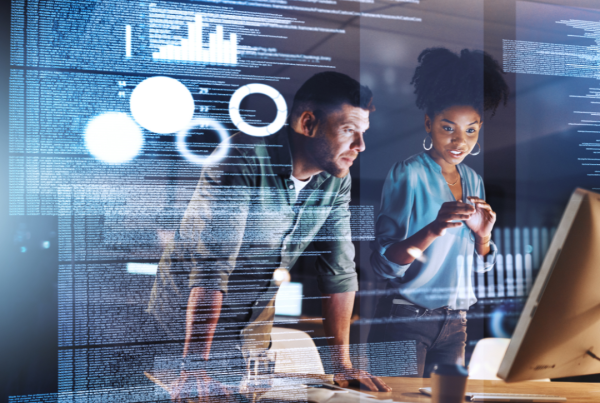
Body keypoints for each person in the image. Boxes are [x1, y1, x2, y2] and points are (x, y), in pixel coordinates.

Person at [148, 71, 391, 401]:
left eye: (362, 133)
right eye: (349, 130)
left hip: (250, 340)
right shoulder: (243, 154)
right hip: (182, 335)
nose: (360, 146)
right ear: (308, 123)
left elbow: (340, 272)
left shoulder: (336, 179)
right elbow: (212, 269)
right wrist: (193, 365)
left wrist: (343, 364)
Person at [368, 48, 509, 378]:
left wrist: (483, 237)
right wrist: (434, 227)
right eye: (449, 128)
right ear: (429, 124)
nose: (460, 141)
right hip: (405, 318)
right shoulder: (408, 173)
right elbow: (383, 264)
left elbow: (478, 266)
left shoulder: (474, 180)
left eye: (471, 130)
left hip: (455, 322)